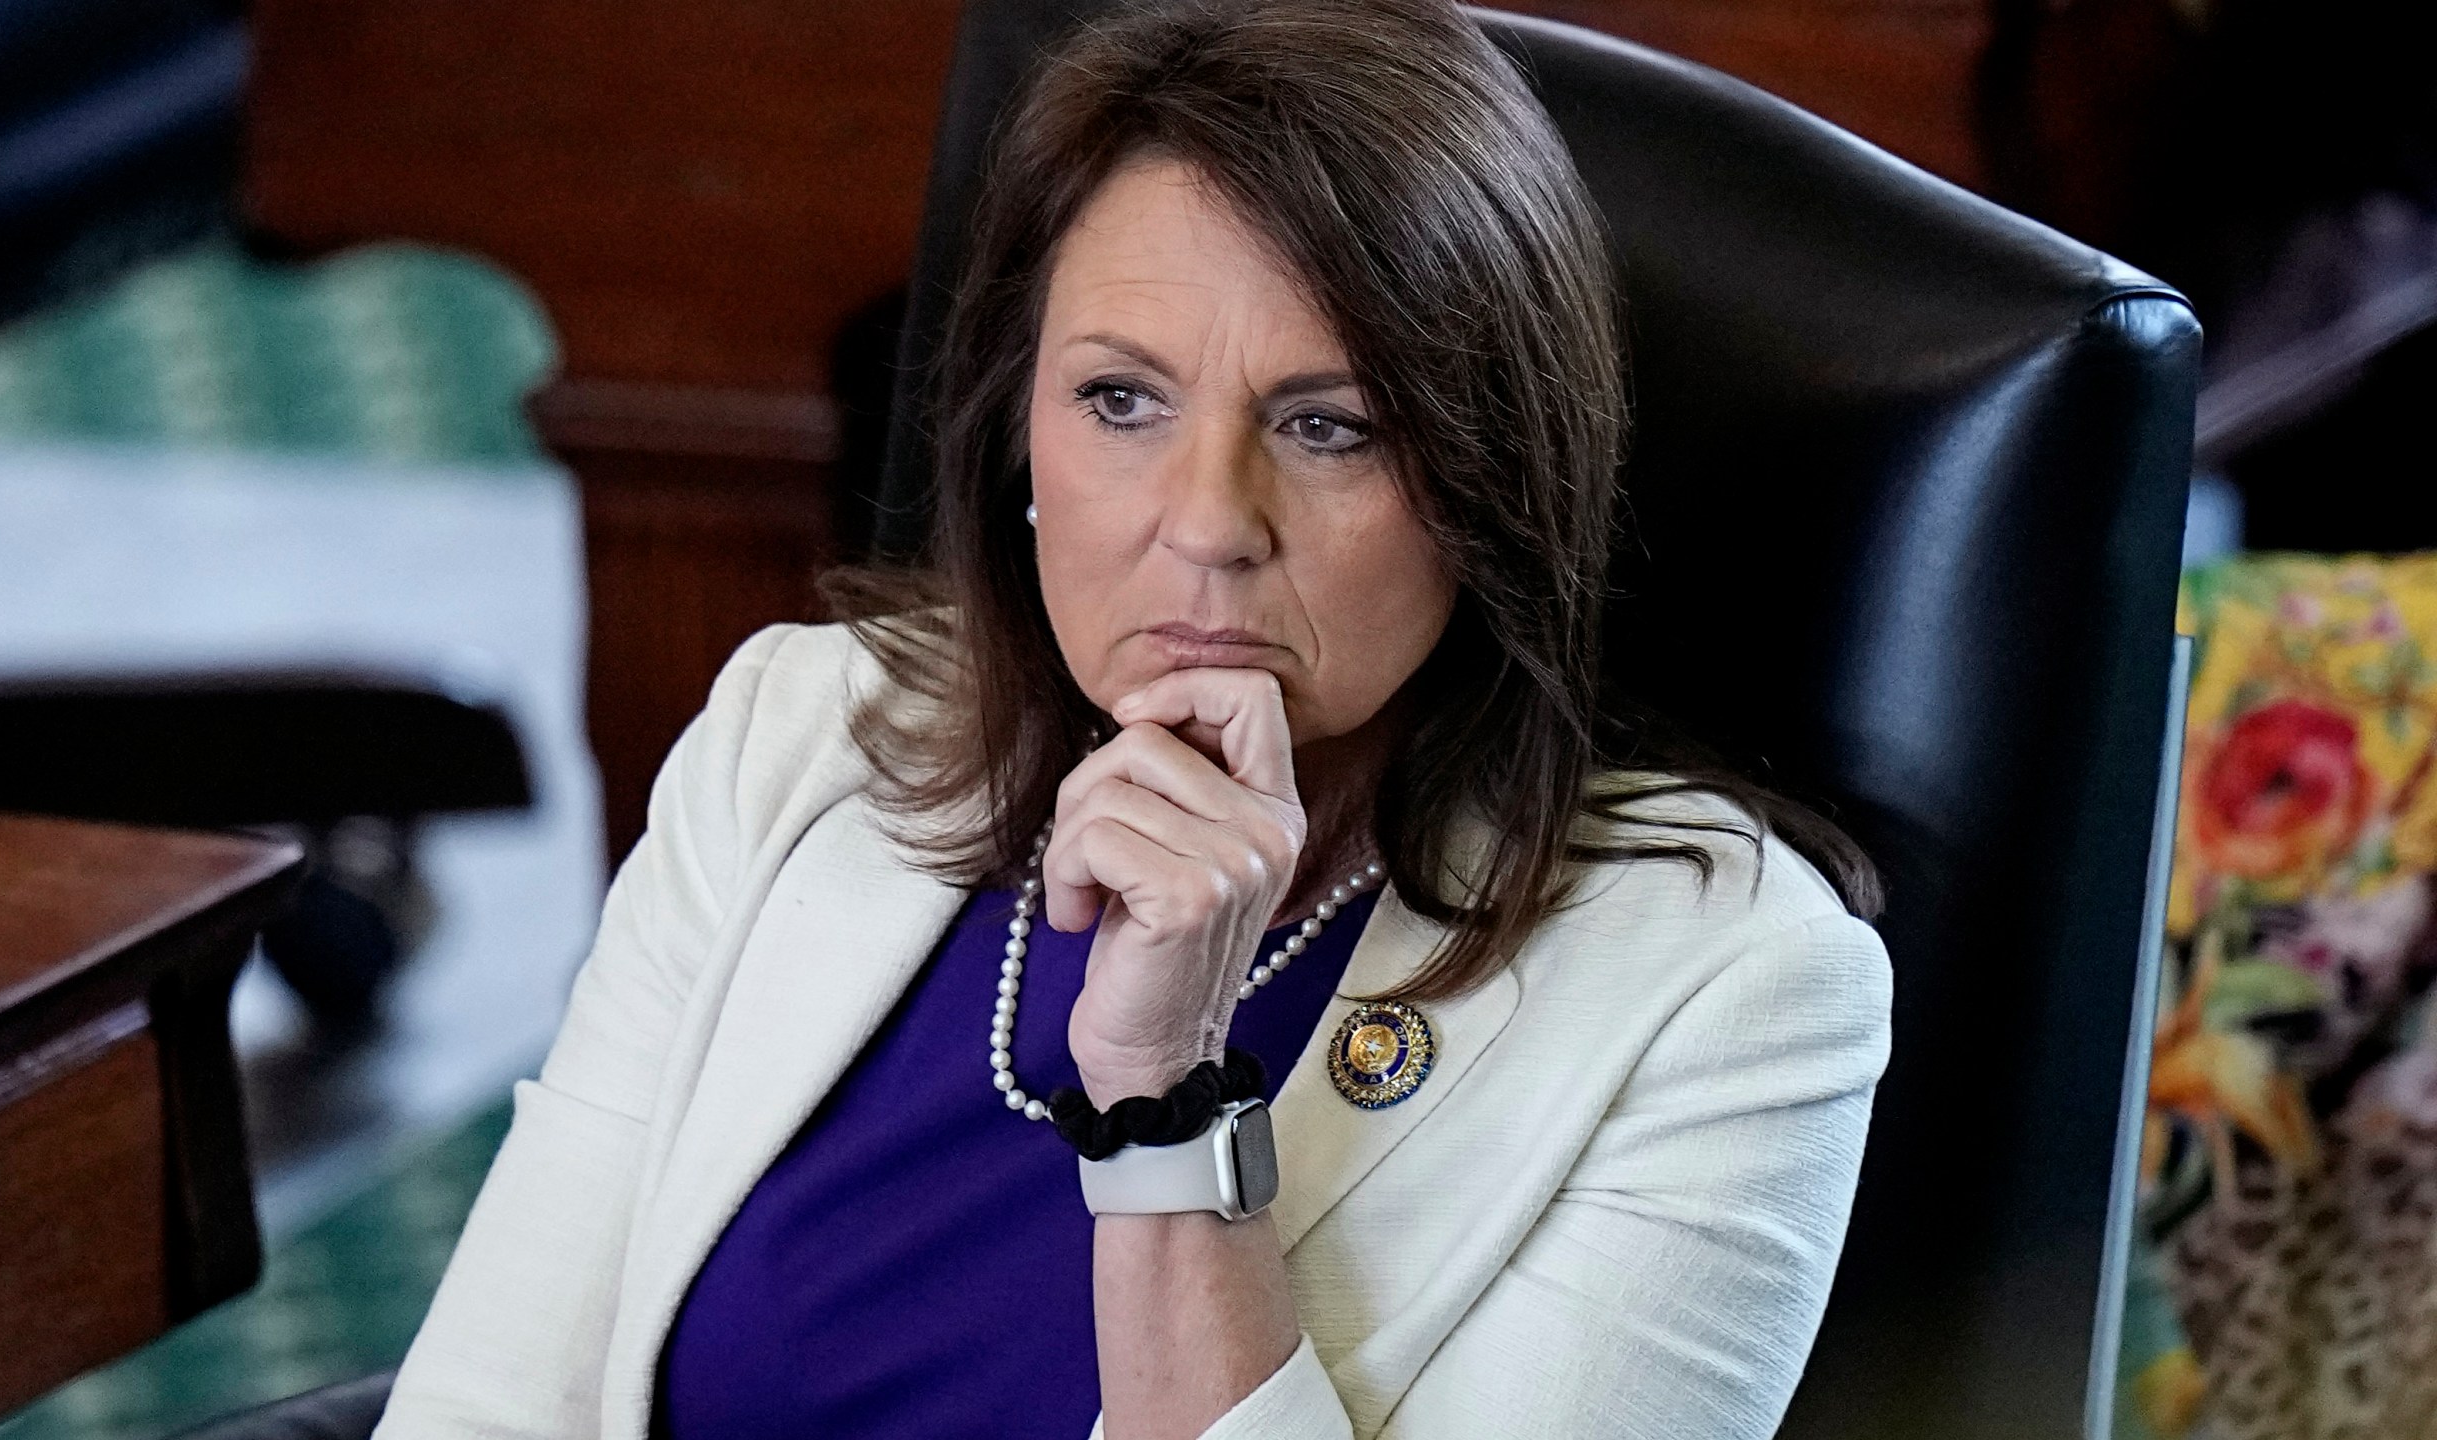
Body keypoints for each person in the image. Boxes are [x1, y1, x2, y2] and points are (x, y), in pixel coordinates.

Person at [373, 0, 1892, 1435]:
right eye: (1120, 400)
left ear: (1491, 486)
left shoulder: (1729, 996)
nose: (1208, 523)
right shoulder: (800, 735)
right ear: (1016, 424)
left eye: (1330, 426)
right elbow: (489, 1404)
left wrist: (1167, 1101)